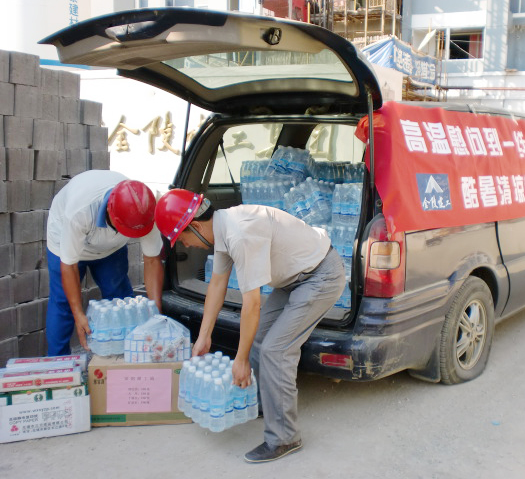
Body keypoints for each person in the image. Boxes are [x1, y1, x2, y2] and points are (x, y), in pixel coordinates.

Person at [154, 189, 345, 463]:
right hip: (295, 278)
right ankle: (263, 403)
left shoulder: (239, 233)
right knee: (260, 337)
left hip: (320, 276)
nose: (185, 245)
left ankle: (284, 437)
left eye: (182, 238)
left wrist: (241, 360)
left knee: (275, 351)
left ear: (194, 226)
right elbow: (217, 286)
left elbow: (251, 304)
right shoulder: (223, 229)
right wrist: (204, 337)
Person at [46, 170, 164, 356]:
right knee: (64, 304)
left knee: (122, 302)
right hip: (65, 243)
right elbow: (68, 265)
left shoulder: (147, 209)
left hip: (112, 249)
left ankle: (127, 359)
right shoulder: (81, 211)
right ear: (110, 212)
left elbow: (152, 260)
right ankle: (57, 363)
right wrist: (79, 315)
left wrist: (155, 312)